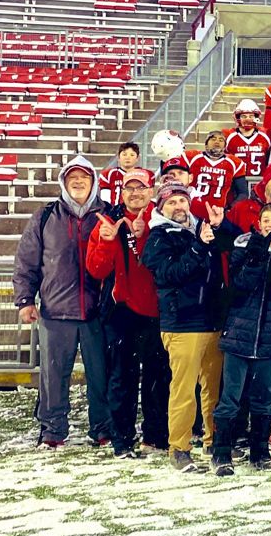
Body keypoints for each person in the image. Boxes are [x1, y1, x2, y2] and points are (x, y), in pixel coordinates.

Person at [15, 156, 111, 449]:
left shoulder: (107, 214)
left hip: (98, 313)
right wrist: (25, 300)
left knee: (101, 376)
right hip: (56, 312)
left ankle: (103, 429)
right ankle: (53, 430)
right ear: (64, 183)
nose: (78, 182)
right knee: (54, 377)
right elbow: (27, 261)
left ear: (93, 182)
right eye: (72, 178)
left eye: (84, 177)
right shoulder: (45, 216)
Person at [142, 182, 236, 473]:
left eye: (182, 201)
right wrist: (199, 246)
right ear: (161, 208)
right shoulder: (158, 236)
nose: (178, 207)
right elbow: (171, 273)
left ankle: (212, 440)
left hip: (212, 319)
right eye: (171, 203)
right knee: (183, 390)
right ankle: (179, 448)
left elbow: (235, 244)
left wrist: (221, 226)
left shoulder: (201, 228)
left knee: (214, 388)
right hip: (183, 323)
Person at [212, 203, 271, 474]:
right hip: (240, 333)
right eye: (266, 220)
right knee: (230, 396)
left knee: (265, 396)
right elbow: (240, 285)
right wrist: (257, 257)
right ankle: (221, 453)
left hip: (269, 336)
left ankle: (260, 451)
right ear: (258, 224)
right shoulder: (243, 247)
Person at [86, 169, 168, 458]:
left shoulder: (162, 218)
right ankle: (122, 439)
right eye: (129, 188)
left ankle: (155, 436)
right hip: (122, 311)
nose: (136, 193)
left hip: (159, 311)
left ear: (151, 190)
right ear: (121, 193)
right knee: (123, 379)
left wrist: (145, 235)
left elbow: (159, 262)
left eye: (141, 187)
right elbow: (96, 270)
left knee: (158, 378)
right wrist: (107, 241)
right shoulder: (108, 222)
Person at [184, 130, 248, 208]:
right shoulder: (192, 157)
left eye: (221, 140)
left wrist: (229, 209)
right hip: (191, 208)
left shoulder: (234, 163)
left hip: (219, 210)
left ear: (225, 146)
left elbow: (243, 193)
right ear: (206, 144)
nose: (217, 142)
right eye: (213, 139)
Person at [225, 99, 271, 178]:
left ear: (256, 117)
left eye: (251, 116)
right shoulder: (229, 136)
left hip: (259, 180)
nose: (248, 119)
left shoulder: (265, 136)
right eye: (244, 116)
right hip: (237, 181)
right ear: (237, 117)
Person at [98, 142, 151, 206]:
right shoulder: (109, 174)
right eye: (124, 154)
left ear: (137, 158)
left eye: (132, 155)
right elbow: (105, 201)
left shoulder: (144, 175)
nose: (127, 157)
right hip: (114, 211)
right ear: (118, 157)